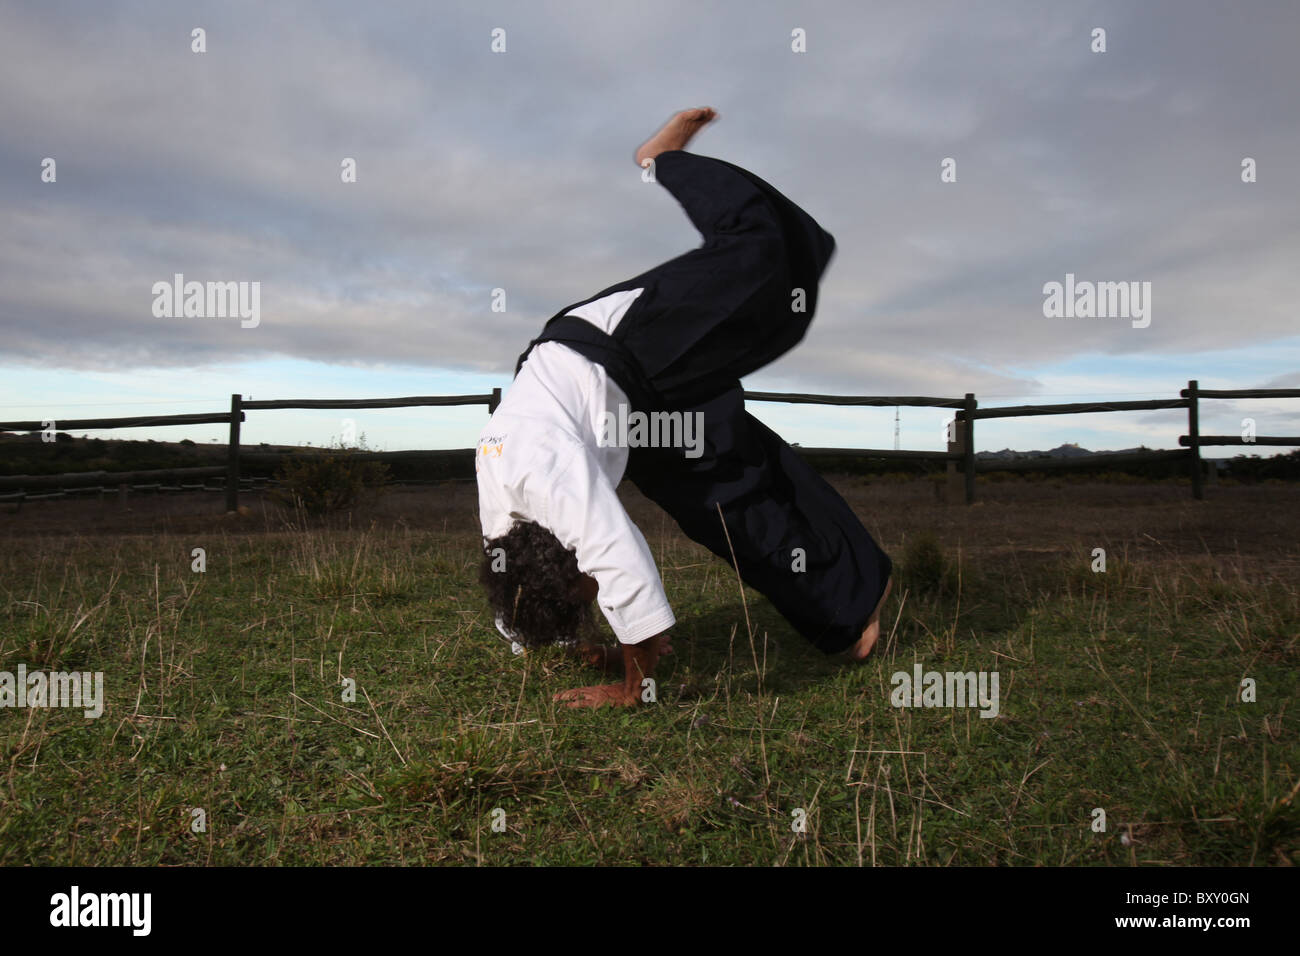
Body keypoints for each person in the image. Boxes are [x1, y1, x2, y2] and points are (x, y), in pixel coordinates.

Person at [476, 107, 892, 709]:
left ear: (564, 546)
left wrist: (632, 686)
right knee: (729, 501)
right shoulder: (504, 534)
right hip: (632, 416)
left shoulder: (548, 479)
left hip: (624, 347)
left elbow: (618, 558)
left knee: (764, 260)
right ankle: (846, 610)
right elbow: (516, 605)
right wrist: (577, 644)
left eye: (582, 591)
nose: (591, 594)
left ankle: (660, 160)